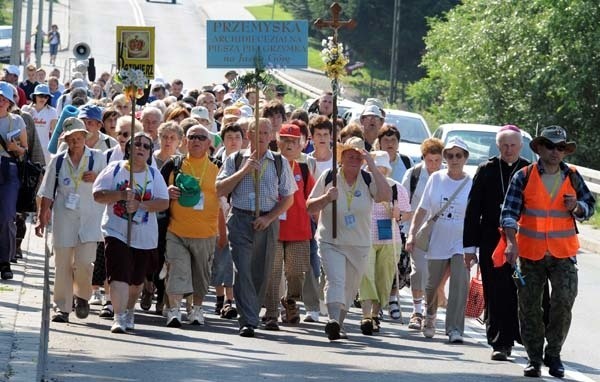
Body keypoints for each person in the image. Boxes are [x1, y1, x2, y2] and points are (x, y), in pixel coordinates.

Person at [500, 126, 595, 378]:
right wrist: (511, 243)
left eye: (561, 147)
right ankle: (534, 358)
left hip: (563, 253)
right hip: (530, 253)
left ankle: (553, 353)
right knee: (529, 307)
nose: (556, 152)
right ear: (540, 148)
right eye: (551, 146)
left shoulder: (572, 175)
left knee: (563, 302)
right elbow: (509, 213)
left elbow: (590, 207)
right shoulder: (523, 176)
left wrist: (577, 207)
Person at [216, 117, 296, 338]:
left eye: (265, 133)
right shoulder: (234, 159)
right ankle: (248, 320)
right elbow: (219, 189)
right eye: (256, 132)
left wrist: (270, 218)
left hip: (266, 222)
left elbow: (288, 197)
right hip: (240, 219)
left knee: (260, 271)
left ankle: (252, 310)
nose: (260, 137)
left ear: (271, 136)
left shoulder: (279, 162)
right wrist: (243, 170)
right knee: (242, 269)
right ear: (248, 135)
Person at [306, 137, 391, 340]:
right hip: (331, 241)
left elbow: (385, 195)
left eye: (358, 156)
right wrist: (327, 198)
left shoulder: (368, 179)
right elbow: (309, 206)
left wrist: (372, 165)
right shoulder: (329, 176)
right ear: (341, 157)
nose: (353, 159)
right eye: (349, 155)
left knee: (350, 288)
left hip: (359, 244)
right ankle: (333, 319)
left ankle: (338, 324)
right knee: (336, 280)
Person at [463, 125, 530, 360]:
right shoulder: (486, 170)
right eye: (504, 145)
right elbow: (473, 211)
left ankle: (518, 335)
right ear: (498, 146)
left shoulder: (529, 171)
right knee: (495, 290)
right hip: (491, 240)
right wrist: (469, 249)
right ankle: (499, 343)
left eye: (513, 145)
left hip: (523, 241)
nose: (509, 149)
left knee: (517, 290)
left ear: (520, 147)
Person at [92, 132, 169, 333]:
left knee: (135, 282)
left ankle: (129, 309)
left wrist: (140, 205)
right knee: (119, 275)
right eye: (136, 144)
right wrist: (119, 195)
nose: (140, 148)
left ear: (150, 152)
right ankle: (118, 316)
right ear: (128, 149)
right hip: (116, 231)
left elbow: (163, 202)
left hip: (144, 236)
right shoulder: (114, 169)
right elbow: (98, 195)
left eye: (145, 146)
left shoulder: (154, 174)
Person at [34, 117, 106, 322]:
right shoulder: (58, 160)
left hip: (90, 219)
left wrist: (96, 177)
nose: (75, 142)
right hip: (64, 218)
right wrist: (42, 217)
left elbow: (109, 182)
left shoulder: (97, 158)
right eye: (71, 139)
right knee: (62, 264)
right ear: (65, 140)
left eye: (78, 138)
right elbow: (47, 191)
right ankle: (62, 307)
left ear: (85, 137)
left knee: (84, 263)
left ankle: (82, 296)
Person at [406, 137, 472, 344]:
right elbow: (422, 208)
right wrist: (412, 235)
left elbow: (477, 214)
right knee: (432, 285)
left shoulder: (471, 182)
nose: (454, 159)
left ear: (465, 158)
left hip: (461, 240)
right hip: (437, 237)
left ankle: (454, 329)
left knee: (459, 284)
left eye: (458, 155)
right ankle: (430, 316)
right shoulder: (436, 179)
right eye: (450, 155)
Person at [159, 125, 222, 327]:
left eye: (201, 137)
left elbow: (226, 199)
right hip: (176, 230)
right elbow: (156, 190)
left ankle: (196, 310)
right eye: (192, 137)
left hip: (206, 232)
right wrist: (167, 191)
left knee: (201, 274)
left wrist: (224, 232)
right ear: (185, 141)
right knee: (177, 269)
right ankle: (174, 311)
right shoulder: (173, 164)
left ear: (209, 143)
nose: (196, 140)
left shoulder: (217, 167)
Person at [262, 124, 316, 331]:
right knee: (273, 273)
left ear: (301, 145)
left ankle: (290, 300)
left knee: (296, 273)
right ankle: (272, 313)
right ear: (278, 142)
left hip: (299, 230)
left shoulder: (303, 168)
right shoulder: (270, 164)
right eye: (285, 140)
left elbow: (312, 199)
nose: (289, 145)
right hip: (273, 228)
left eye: (294, 141)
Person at [358, 151, 411, 335]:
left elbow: (407, 213)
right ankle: (366, 315)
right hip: (365, 237)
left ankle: (374, 314)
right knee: (366, 275)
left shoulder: (396, 188)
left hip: (390, 240)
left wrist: (399, 215)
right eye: (374, 167)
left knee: (384, 278)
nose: (378, 171)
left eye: (381, 168)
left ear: (387, 169)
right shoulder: (362, 186)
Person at [401, 138, 445, 330]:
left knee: (433, 274)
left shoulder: (447, 175)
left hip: (441, 232)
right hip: (417, 231)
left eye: (437, 160)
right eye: (430, 160)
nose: (433, 165)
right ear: (423, 158)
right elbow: (403, 201)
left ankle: (430, 311)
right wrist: (406, 230)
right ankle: (417, 311)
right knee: (418, 271)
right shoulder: (414, 174)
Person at [0, 82, 28, 280]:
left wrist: (15, 148)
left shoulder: (17, 121)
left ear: (10, 102)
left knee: (7, 216)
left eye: (3, 99)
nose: (0, 101)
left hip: (8, 170)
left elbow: (24, 149)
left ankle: (4, 261)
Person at [22, 84, 58, 165]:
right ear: (35, 96)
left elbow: (54, 134)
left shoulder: (52, 111)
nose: (43, 99)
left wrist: (55, 151)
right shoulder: (25, 109)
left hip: (44, 149)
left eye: (46, 96)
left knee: (42, 175)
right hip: (27, 148)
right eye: (41, 95)